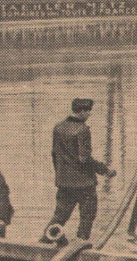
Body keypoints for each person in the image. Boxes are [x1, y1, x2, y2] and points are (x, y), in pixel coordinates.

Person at [40, 98, 116, 243]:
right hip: (84, 184)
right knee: (87, 217)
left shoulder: (58, 127)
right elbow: (84, 159)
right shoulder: (82, 130)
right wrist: (105, 170)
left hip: (64, 183)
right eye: (88, 111)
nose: (89, 114)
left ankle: (44, 243)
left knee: (59, 217)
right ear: (81, 112)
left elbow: (54, 155)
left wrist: (61, 175)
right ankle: (81, 245)